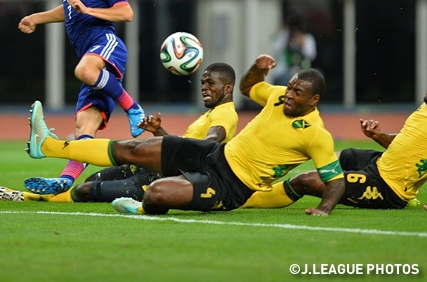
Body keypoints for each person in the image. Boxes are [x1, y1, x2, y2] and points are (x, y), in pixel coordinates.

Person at [22, 54, 345, 216]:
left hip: (233, 186)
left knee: (158, 193)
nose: (288, 95)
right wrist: (259, 70)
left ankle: (142, 207)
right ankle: (47, 146)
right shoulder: (275, 95)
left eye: (297, 92)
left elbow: (335, 179)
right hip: (214, 156)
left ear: (313, 100)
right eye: (289, 88)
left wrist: (325, 208)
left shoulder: (317, 136)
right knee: (134, 148)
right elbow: (247, 87)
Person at [0, 62, 237, 203]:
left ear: (227, 88)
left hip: (159, 178)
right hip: (151, 167)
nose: (204, 87)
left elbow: (208, 144)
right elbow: (183, 148)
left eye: (210, 84)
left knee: (84, 191)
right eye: (203, 83)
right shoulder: (209, 113)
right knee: (91, 180)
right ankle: (52, 170)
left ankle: (26, 195)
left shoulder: (225, 114)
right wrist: (159, 132)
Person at [18, 0, 145, 196]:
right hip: (91, 57)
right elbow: (67, 11)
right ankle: (64, 181)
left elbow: (126, 13)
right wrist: (36, 18)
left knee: (84, 70)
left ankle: (133, 108)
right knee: (83, 129)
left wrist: (88, 10)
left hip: (106, 45)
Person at [243, 93, 427, 210]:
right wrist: (378, 136)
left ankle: (243, 199)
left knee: (306, 180)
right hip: (381, 162)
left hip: (388, 186)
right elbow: (410, 140)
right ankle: (255, 177)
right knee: (331, 157)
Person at [270, 14, 317, 86]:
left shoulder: (307, 38)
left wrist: (302, 44)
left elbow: (311, 56)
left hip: (302, 71)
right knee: (288, 78)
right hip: (283, 72)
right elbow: (275, 52)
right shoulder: (282, 37)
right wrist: (286, 39)